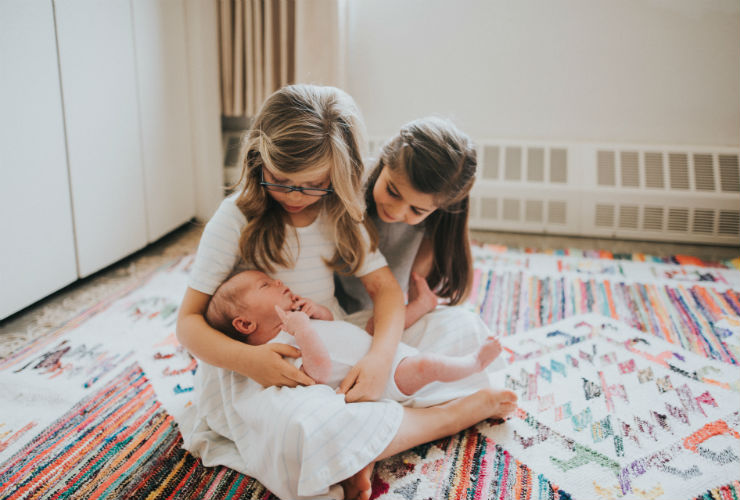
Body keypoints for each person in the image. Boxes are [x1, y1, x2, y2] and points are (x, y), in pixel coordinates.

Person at [176, 85, 517, 500]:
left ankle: (364, 441)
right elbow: (188, 323)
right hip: (268, 370)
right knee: (304, 431)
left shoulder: (339, 211)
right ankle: (447, 418)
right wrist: (250, 360)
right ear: (257, 159)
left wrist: (378, 359)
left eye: (313, 185)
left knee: (461, 328)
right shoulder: (233, 220)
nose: (295, 196)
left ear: (337, 175)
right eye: (280, 180)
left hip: (341, 338)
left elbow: (387, 293)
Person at [205, 270, 508, 403]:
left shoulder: (297, 321)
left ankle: (424, 304)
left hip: (374, 349)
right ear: (245, 324)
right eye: (265, 285)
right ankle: (472, 364)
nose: (278, 282)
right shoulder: (274, 351)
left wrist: (317, 313)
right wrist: (304, 329)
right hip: (385, 379)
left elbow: (334, 327)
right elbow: (319, 371)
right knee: (424, 365)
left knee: (377, 326)